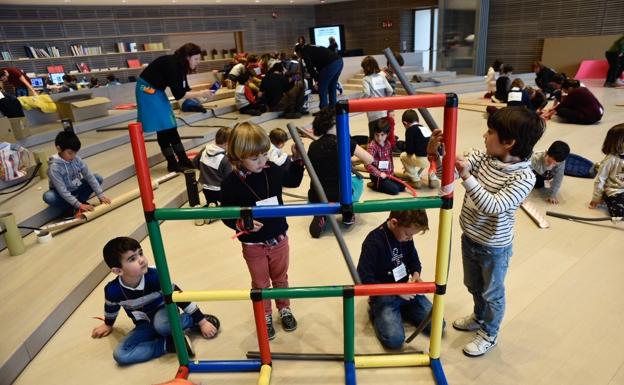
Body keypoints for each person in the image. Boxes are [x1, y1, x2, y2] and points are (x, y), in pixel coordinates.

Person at [427, 106, 545, 357]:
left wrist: (468, 176)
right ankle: (479, 318)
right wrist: (437, 155)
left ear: (509, 143)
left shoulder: (524, 177)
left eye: (490, 132)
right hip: (469, 236)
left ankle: (490, 332)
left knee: (492, 293)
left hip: (494, 247)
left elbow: (494, 206)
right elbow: (445, 176)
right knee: (473, 285)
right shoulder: (483, 157)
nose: (484, 135)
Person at [220, 122, 304, 340]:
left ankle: (284, 308)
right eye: (254, 158)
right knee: (260, 283)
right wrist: (240, 224)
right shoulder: (230, 183)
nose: (262, 161)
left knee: (281, 277)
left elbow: (293, 181)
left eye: (265, 154)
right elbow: (226, 214)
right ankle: (265, 314)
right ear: (238, 156)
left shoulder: (272, 170)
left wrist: (297, 159)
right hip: (253, 243)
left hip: (279, 238)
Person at [91, 237, 220, 365]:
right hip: (144, 325)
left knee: (161, 325)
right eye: (132, 259)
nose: (141, 260)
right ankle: (169, 345)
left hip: (165, 316)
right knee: (120, 354)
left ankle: (191, 321)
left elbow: (181, 298)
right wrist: (108, 324)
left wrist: (202, 321)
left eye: (140, 253)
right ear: (118, 270)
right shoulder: (112, 290)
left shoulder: (156, 277)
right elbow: (111, 308)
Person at [357, 210, 442, 349]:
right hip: (384, 294)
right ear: (394, 222)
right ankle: (377, 312)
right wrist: (396, 291)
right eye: (408, 235)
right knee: (395, 340)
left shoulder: (406, 235)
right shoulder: (373, 242)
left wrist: (416, 274)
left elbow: (413, 258)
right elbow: (363, 279)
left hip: (407, 290)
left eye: (412, 236)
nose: (409, 239)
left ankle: (402, 311)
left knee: (438, 325)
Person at [136, 43, 214, 172]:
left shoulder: (180, 65)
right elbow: (179, 95)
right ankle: (172, 163)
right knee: (163, 126)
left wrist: (203, 95)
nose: (198, 62)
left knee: (170, 125)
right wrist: (201, 93)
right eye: (196, 59)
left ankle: (183, 159)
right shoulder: (173, 65)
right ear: (187, 57)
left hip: (157, 91)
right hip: (147, 91)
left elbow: (184, 88)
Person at [307, 106, 374, 238]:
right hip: (341, 196)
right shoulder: (345, 143)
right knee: (358, 179)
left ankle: (321, 212)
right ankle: (347, 213)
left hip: (316, 196)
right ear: (336, 123)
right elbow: (369, 159)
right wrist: (350, 159)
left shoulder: (313, 146)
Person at [43, 131, 111, 216]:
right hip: (61, 193)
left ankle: (79, 202)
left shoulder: (77, 159)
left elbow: (89, 177)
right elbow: (62, 191)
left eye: (75, 153)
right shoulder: (54, 168)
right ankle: (72, 207)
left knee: (97, 178)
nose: (73, 156)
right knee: (49, 196)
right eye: (70, 153)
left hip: (76, 187)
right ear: (59, 149)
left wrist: (101, 195)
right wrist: (79, 205)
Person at [191, 126, 233, 210]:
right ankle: (213, 215)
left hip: (205, 188)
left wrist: (204, 171)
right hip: (220, 190)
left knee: (211, 203)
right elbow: (229, 178)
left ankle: (205, 210)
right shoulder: (225, 159)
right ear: (226, 144)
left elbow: (195, 163)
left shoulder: (204, 150)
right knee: (228, 206)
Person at [589, 124, 624, 217]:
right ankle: (606, 198)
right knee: (619, 213)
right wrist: (596, 198)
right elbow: (600, 179)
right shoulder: (611, 160)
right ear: (619, 143)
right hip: (614, 190)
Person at [399, 109, 439, 189]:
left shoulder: (410, 130)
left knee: (403, 156)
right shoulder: (425, 128)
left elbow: (409, 151)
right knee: (428, 155)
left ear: (405, 123)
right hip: (436, 160)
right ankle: (433, 179)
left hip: (423, 159)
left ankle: (415, 180)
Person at [295, 43, 343, 109]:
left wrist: (316, 80)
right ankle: (333, 108)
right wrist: (317, 77)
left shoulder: (304, 51)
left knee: (322, 87)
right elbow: (319, 64)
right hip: (339, 61)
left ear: (298, 52)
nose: (299, 57)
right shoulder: (311, 47)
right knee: (332, 85)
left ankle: (324, 110)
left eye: (298, 54)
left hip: (331, 64)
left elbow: (310, 67)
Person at [365, 118, 405, 195]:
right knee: (395, 190)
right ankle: (374, 185)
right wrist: (379, 174)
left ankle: (386, 183)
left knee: (402, 186)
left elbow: (390, 159)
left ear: (387, 134)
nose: (379, 138)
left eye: (382, 135)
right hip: (378, 177)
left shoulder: (388, 144)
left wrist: (392, 172)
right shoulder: (372, 146)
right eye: (377, 135)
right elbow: (367, 164)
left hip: (388, 174)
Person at [361, 56, 393, 140]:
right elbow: (390, 90)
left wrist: (360, 101)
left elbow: (366, 93)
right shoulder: (381, 76)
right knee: (383, 136)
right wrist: (385, 99)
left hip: (373, 113)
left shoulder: (366, 79)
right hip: (383, 111)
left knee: (374, 137)